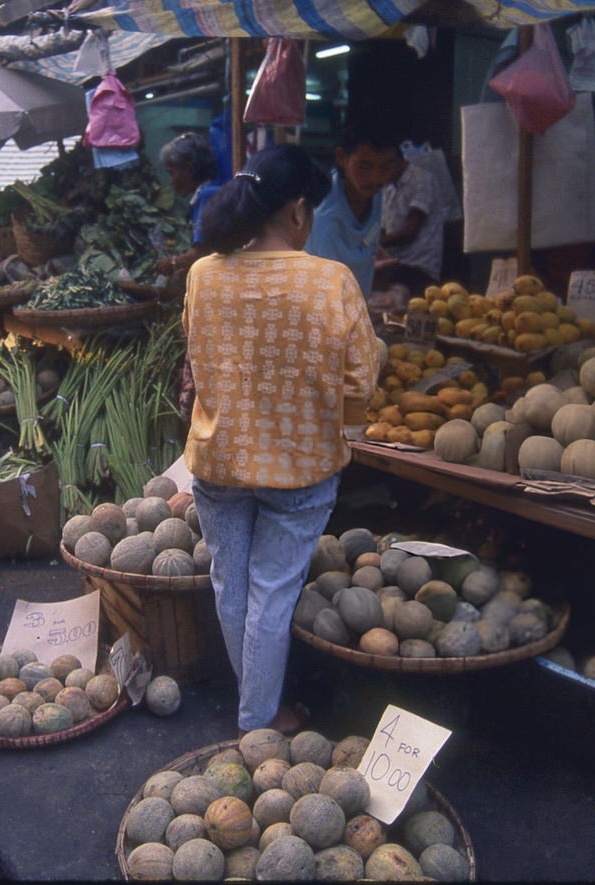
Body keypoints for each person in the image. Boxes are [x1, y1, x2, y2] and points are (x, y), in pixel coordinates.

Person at [186, 145, 384, 736]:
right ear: (299, 211)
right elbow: (360, 379)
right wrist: (349, 420)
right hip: (300, 468)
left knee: (232, 585)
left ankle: (256, 705)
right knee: (271, 594)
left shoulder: (204, 274)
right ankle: (259, 720)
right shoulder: (331, 281)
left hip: (218, 460)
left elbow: (199, 360)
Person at [305, 113, 406, 300]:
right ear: (341, 157)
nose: (376, 178)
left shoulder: (374, 194)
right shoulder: (325, 218)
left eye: (385, 167)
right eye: (365, 167)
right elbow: (327, 295)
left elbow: (364, 246)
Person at [153, 133, 223, 277]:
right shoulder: (207, 193)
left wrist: (173, 262)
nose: (171, 181)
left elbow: (202, 253)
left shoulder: (208, 195)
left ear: (189, 169)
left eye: (172, 173)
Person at [376, 152, 444, 295]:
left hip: (418, 266)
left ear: (394, 161)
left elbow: (410, 232)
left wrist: (372, 244)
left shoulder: (422, 180)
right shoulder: (388, 187)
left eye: (382, 168)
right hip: (394, 263)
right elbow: (380, 229)